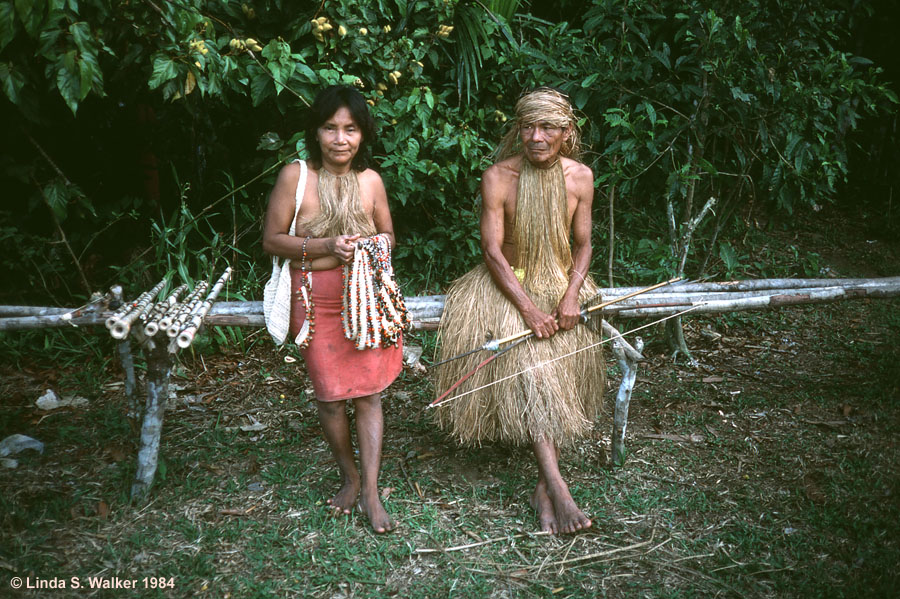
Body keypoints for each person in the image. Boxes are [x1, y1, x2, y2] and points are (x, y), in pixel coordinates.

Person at [434, 88, 604, 534]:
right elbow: (491, 251)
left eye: (548, 127)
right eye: (528, 127)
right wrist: (528, 310)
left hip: (560, 281)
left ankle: (545, 490)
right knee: (533, 364)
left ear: (567, 133)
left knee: (564, 363)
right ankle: (557, 490)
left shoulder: (580, 177)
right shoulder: (499, 177)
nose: (536, 137)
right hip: (508, 282)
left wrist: (572, 295)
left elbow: (584, 244)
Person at [262, 85, 402, 533]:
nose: (340, 139)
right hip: (314, 302)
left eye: (351, 129)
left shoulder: (371, 182)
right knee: (328, 397)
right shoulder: (296, 176)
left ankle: (371, 490)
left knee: (369, 393)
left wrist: (359, 253)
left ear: (363, 135)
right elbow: (271, 241)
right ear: (316, 133)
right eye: (330, 128)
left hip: (365, 301)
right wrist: (326, 247)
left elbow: (388, 238)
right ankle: (349, 475)